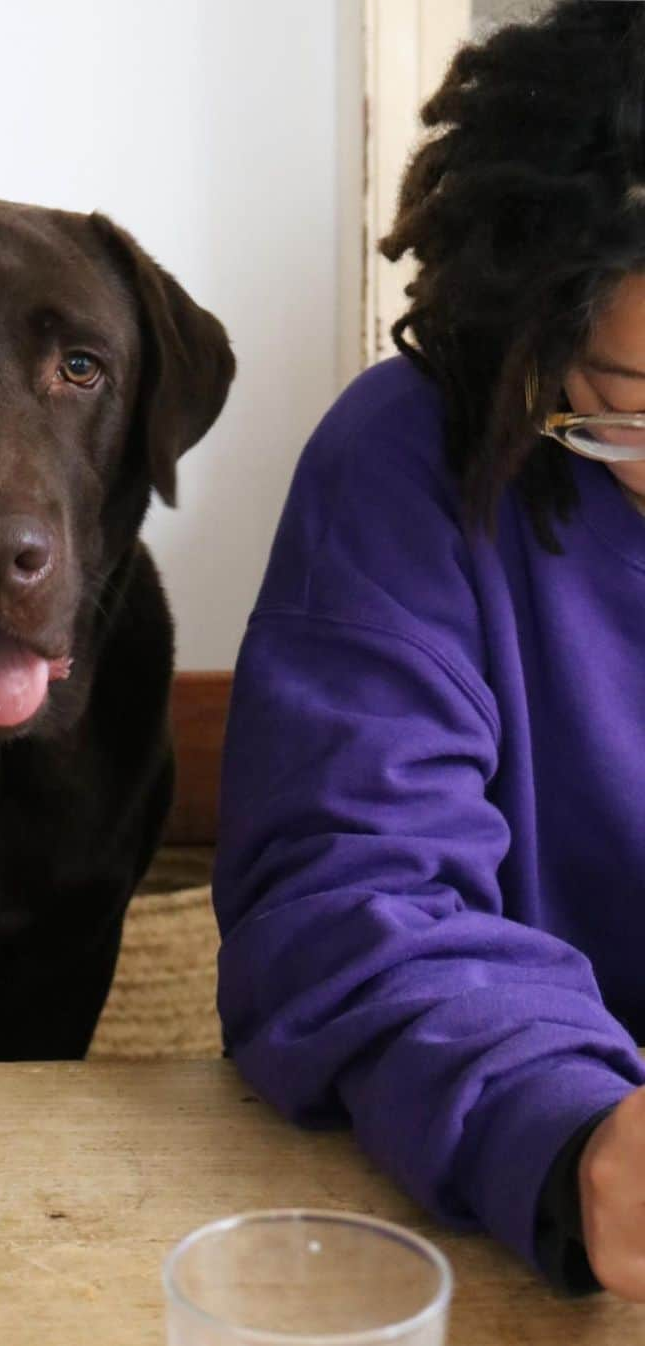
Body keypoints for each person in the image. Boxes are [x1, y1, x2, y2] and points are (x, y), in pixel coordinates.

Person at [214, 0, 645, 1301]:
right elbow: (352, 895)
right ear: (542, 329)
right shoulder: (403, 470)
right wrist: (571, 1127)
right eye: (634, 404)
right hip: (536, 1217)